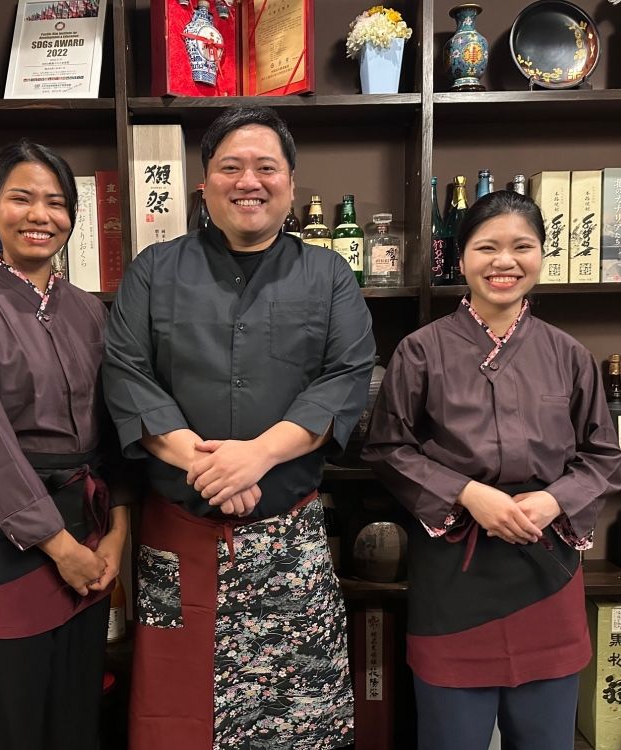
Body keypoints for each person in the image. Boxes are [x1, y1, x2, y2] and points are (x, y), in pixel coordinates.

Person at [103, 105, 375, 749]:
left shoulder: (329, 275)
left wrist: (255, 457)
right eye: (230, 166)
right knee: (178, 722)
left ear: (290, 183)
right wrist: (211, 466)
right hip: (179, 539)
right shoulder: (152, 269)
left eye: (265, 167)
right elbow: (126, 375)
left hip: (289, 546)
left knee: (297, 725)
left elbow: (346, 377)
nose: (247, 180)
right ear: (204, 184)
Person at [362, 190, 621, 750]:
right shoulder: (420, 351)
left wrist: (554, 500)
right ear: (462, 259)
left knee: (546, 736)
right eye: (487, 247)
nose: (504, 261)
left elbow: (603, 456)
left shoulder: (568, 354)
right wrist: (466, 494)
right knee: (450, 735)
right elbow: (387, 448)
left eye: (521, 247)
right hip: (455, 560)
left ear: (542, 256)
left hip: (544, 555)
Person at [0, 139, 129, 750]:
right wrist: (62, 548)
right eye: (21, 198)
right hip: (7, 541)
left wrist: (115, 534)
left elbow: (116, 426)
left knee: (75, 716)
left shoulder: (90, 310)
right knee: (8, 724)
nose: (40, 215)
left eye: (56, 203)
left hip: (88, 537)